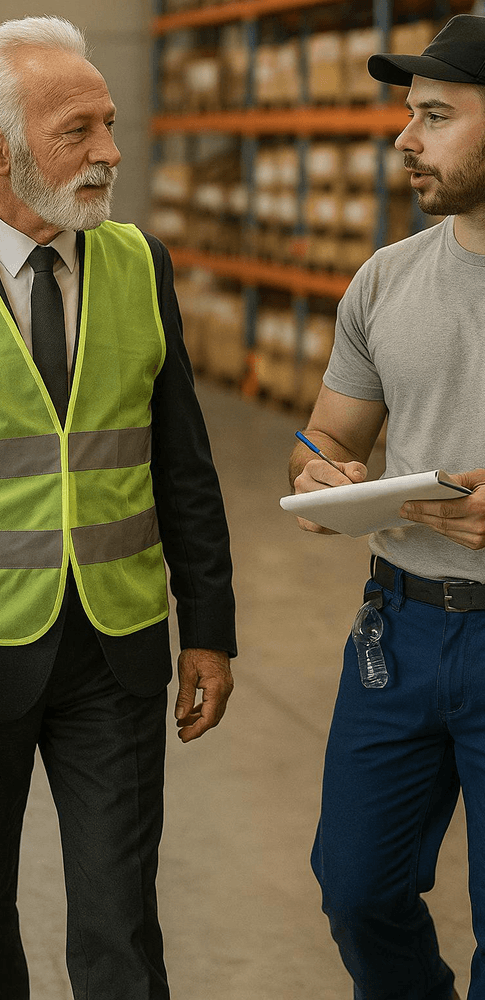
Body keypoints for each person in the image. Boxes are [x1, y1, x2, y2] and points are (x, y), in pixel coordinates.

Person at [0, 15, 236, 1000]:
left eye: (109, 121)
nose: (110, 150)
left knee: (117, 925)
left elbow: (182, 462)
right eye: (77, 130)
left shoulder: (139, 262)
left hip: (117, 644)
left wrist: (210, 629)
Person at [287, 13, 485, 1000]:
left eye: (435, 115)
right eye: (408, 114)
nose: (403, 139)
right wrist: (320, 473)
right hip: (395, 633)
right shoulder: (385, 279)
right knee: (355, 886)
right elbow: (328, 436)